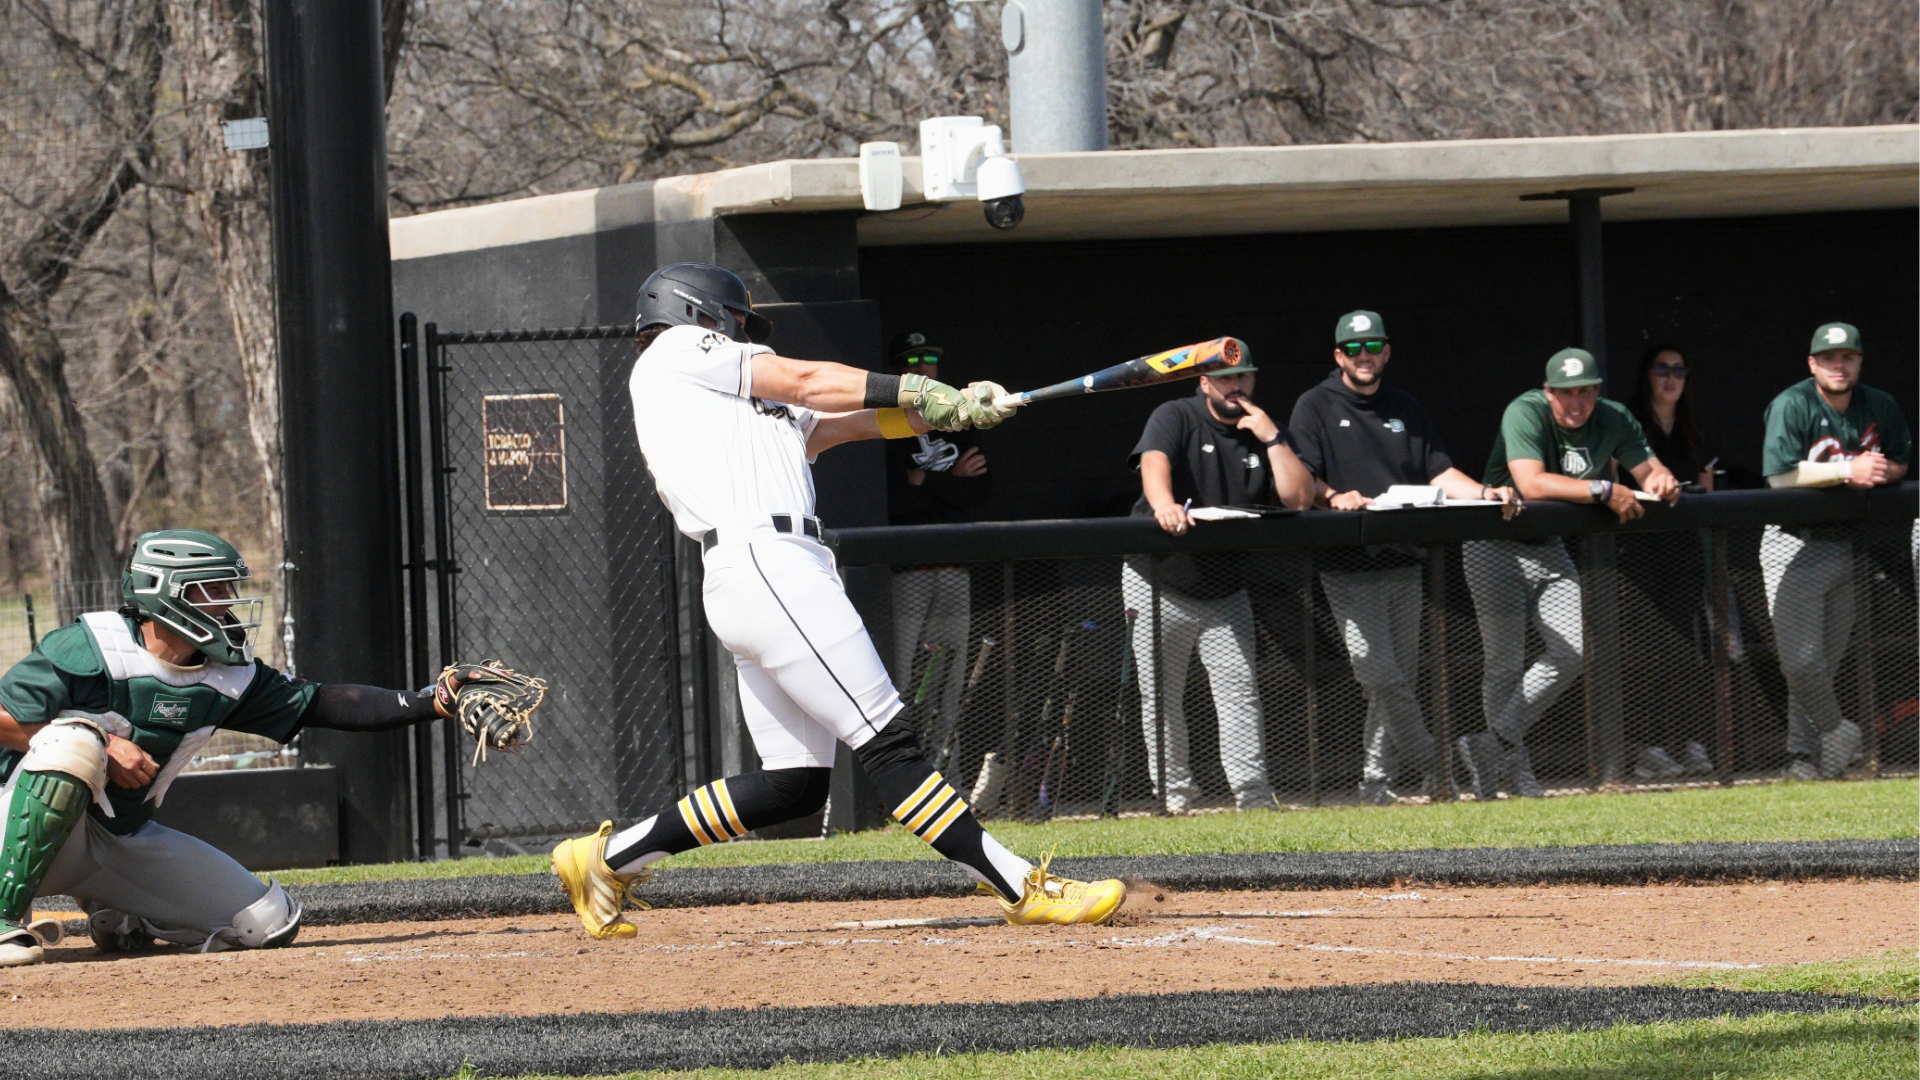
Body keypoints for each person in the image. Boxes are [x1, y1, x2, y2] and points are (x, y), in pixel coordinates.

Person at [552, 263, 1126, 939]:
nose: (743, 332)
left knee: (792, 784)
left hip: (767, 572)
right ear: (696, 312)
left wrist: (959, 406)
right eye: (735, 320)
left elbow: (840, 423)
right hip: (765, 562)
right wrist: (922, 387)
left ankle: (605, 860)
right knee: (888, 740)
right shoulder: (675, 355)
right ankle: (1017, 884)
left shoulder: (731, 405)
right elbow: (805, 379)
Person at [0, 529, 485, 967]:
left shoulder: (228, 678)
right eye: (214, 590)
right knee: (76, 745)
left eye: (228, 589)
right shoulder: (91, 646)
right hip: (12, 825)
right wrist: (104, 745)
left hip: (117, 838)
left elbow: (324, 703)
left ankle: (128, 913)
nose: (228, 604)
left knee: (267, 921)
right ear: (167, 594)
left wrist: (432, 701)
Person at [1288, 311, 1519, 805]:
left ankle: (1375, 786)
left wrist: (1484, 493)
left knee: (1397, 683)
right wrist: (1332, 497)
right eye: (1353, 348)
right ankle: (1439, 770)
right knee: (1379, 674)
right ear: (1338, 356)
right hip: (1346, 564)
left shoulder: (1406, 407)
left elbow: (1439, 473)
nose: (1364, 355)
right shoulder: (1314, 406)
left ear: (1387, 351)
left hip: (1405, 563)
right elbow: (1301, 479)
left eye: (1373, 346)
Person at [1458, 348, 1681, 799]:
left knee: (1572, 650)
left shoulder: (1613, 417)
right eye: (1565, 394)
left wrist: (1660, 479)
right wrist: (1605, 488)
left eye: (1585, 392)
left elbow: (1649, 468)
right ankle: (1513, 771)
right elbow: (1531, 484)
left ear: (1597, 391)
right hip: (1494, 543)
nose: (1576, 404)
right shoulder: (1526, 410)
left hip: (1548, 547)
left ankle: (1491, 744)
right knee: (1504, 663)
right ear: (1549, 392)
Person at [1121, 353, 1313, 812]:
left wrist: (1272, 439)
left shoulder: (1264, 430)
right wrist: (1165, 505)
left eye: (1244, 375)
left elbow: (1300, 499)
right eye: (1226, 378)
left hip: (1226, 586)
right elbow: (1153, 463)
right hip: (1158, 579)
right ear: (1205, 382)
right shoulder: (1176, 415)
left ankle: (1253, 797)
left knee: (1239, 688)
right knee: (1161, 695)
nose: (1237, 385)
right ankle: (1175, 798)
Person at [1759, 322, 1910, 781]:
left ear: (1860, 360)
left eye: (1847, 357)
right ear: (1813, 364)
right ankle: (1837, 730)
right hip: (1794, 542)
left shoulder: (1878, 403)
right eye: (1829, 358)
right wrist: (1850, 469)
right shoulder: (1793, 402)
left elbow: (1901, 461)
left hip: (1847, 545)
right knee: (1801, 660)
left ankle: (1805, 761)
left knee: (1822, 664)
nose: (1838, 365)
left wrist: (1880, 471)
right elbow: (1779, 478)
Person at [884, 331, 990, 769]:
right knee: (901, 677)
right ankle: (897, 772)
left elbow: (980, 491)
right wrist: (952, 483)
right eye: (914, 360)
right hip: (907, 570)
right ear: (898, 372)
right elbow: (894, 499)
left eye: (930, 358)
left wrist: (926, 482)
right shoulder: (885, 422)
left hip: (953, 566)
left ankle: (947, 775)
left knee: (952, 676)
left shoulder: (958, 418)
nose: (925, 366)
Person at [1626, 344, 1715, 490]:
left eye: (1679, 371)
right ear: (1646, 375)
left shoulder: (1695, 428)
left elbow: (1706, 489)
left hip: (1687, 511)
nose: (1671, 377)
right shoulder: (1627, 423)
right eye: (1662, 369)